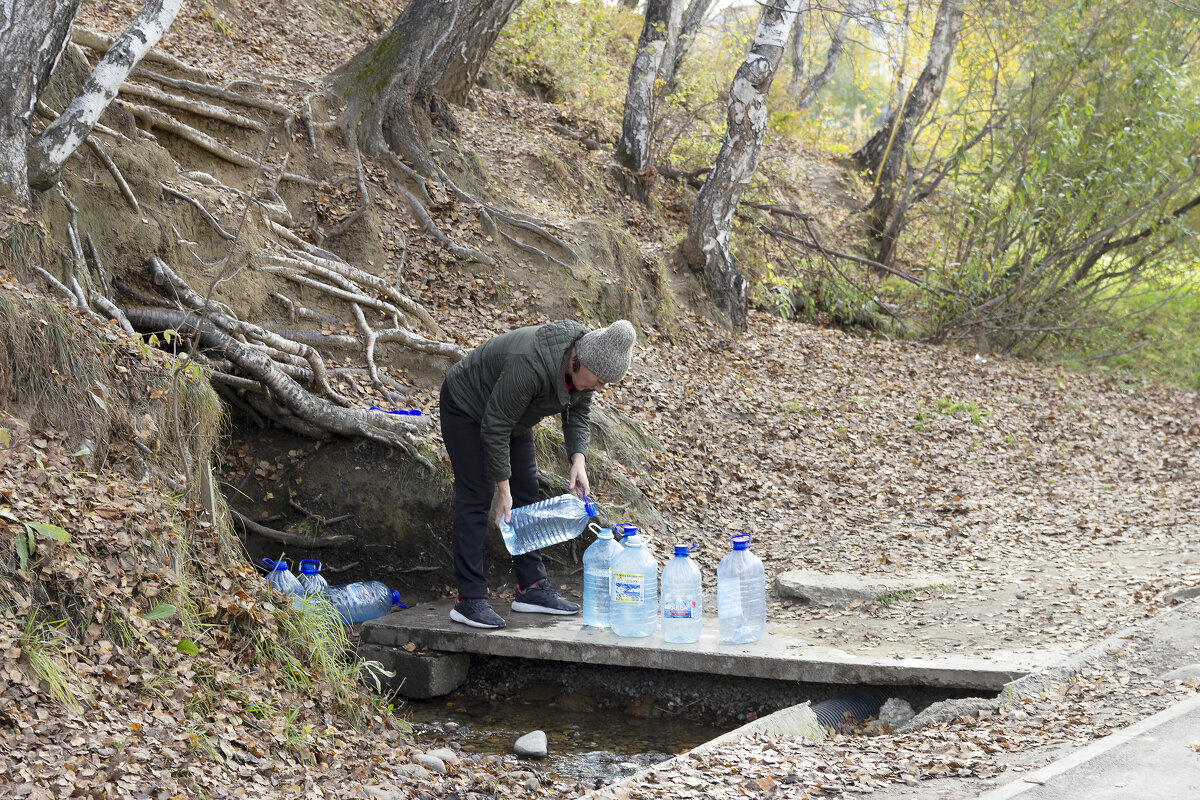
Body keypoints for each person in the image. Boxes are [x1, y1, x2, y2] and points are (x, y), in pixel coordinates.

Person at [438, 319, 636, 629]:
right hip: (467, 405)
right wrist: (503, 489)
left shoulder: (584, 363)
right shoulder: (531, 363)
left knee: (527, 490)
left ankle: (531, 589)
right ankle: (470, 599)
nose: (600, 388)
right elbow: (495, 425)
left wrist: (578, 460)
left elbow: (578, 412)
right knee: (477, 494)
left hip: (511, 415)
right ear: (578, 361)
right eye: (599, 380)